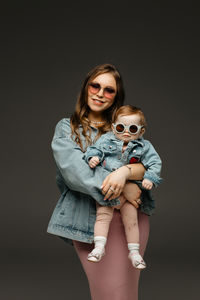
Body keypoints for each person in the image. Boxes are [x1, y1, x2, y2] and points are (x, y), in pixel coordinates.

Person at [47, 64, 150, 300]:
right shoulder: (67, 128)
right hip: (89, 222)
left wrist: (125, 172)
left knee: (126, 294)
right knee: (106, 293)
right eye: (95, 85)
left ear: (116, 97)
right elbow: (76, 174)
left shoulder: (122, 127)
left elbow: (147, 165)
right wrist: (126, 182)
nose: (100, 93)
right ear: (86, 88)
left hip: (132, 219)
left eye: (109, 90)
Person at [84, 105, 162, 269]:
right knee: (102, 216)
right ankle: (99, 247)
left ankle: (134, 253)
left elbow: (155, 163)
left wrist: (150, 178)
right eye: (121, 127)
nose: (126, 132)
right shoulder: (106, 139)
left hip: (129, 195)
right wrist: (93, 157)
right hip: (109, 190)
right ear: (113, 128)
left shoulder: (144, 147)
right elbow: (93, 149)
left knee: (131, 220)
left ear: (141, 132)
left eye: (132, 128)